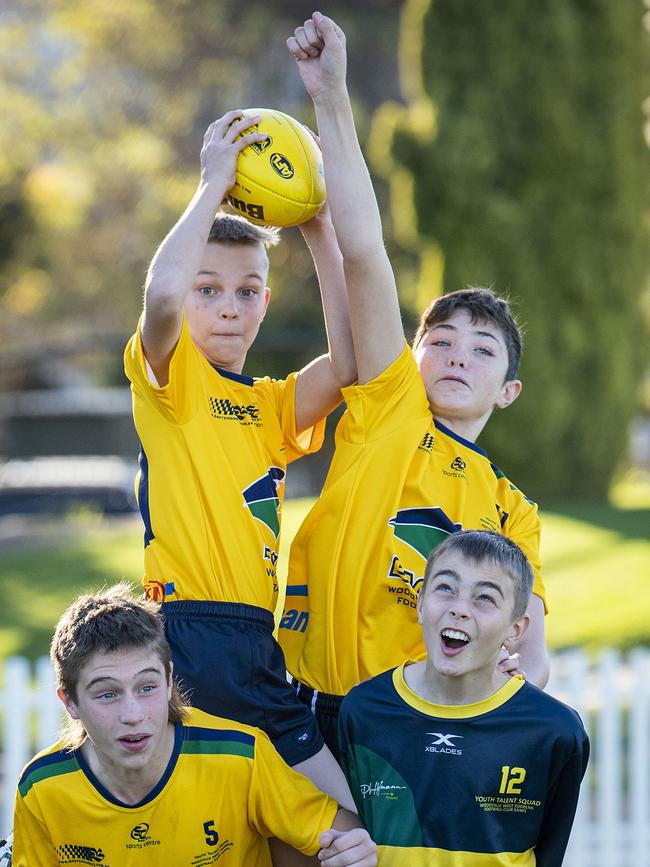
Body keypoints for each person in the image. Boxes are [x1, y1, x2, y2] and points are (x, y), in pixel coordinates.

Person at [280, 12, 549, 759]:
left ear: (508, 390)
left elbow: (532, 652)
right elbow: (367, 256)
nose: (457, 356)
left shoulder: (512, 512)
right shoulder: (390, 403)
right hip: (304, 703)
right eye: (440, 340)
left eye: (482, 349)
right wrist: (330, 94)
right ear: (412, 355)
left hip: (416, 732)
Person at [123, 110, 357, 810]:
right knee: (197, 829)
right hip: (186, 642)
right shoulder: (170, 381)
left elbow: (349, 362)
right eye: (210, 288)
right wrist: (210, 185)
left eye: (248, 290)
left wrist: (317, 231)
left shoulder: (270, 407)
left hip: (259, 647)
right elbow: (162, 294)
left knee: (347, 825)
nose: (230, 306)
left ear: (264, 301)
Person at [12, 584, 377, 867]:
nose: (133, 713)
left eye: (147, 687)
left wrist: (354, 848)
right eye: (107, 694)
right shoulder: (42, 789)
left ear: (170, 680)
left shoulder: (241, 756)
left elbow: (338, 831)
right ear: (69, 702)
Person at [339, 531, 589, 866]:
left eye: (484, 598)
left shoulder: (554, 731)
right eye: (445, 588)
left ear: (515, 630)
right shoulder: (364, 711)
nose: (459, 609)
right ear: (421, 604)